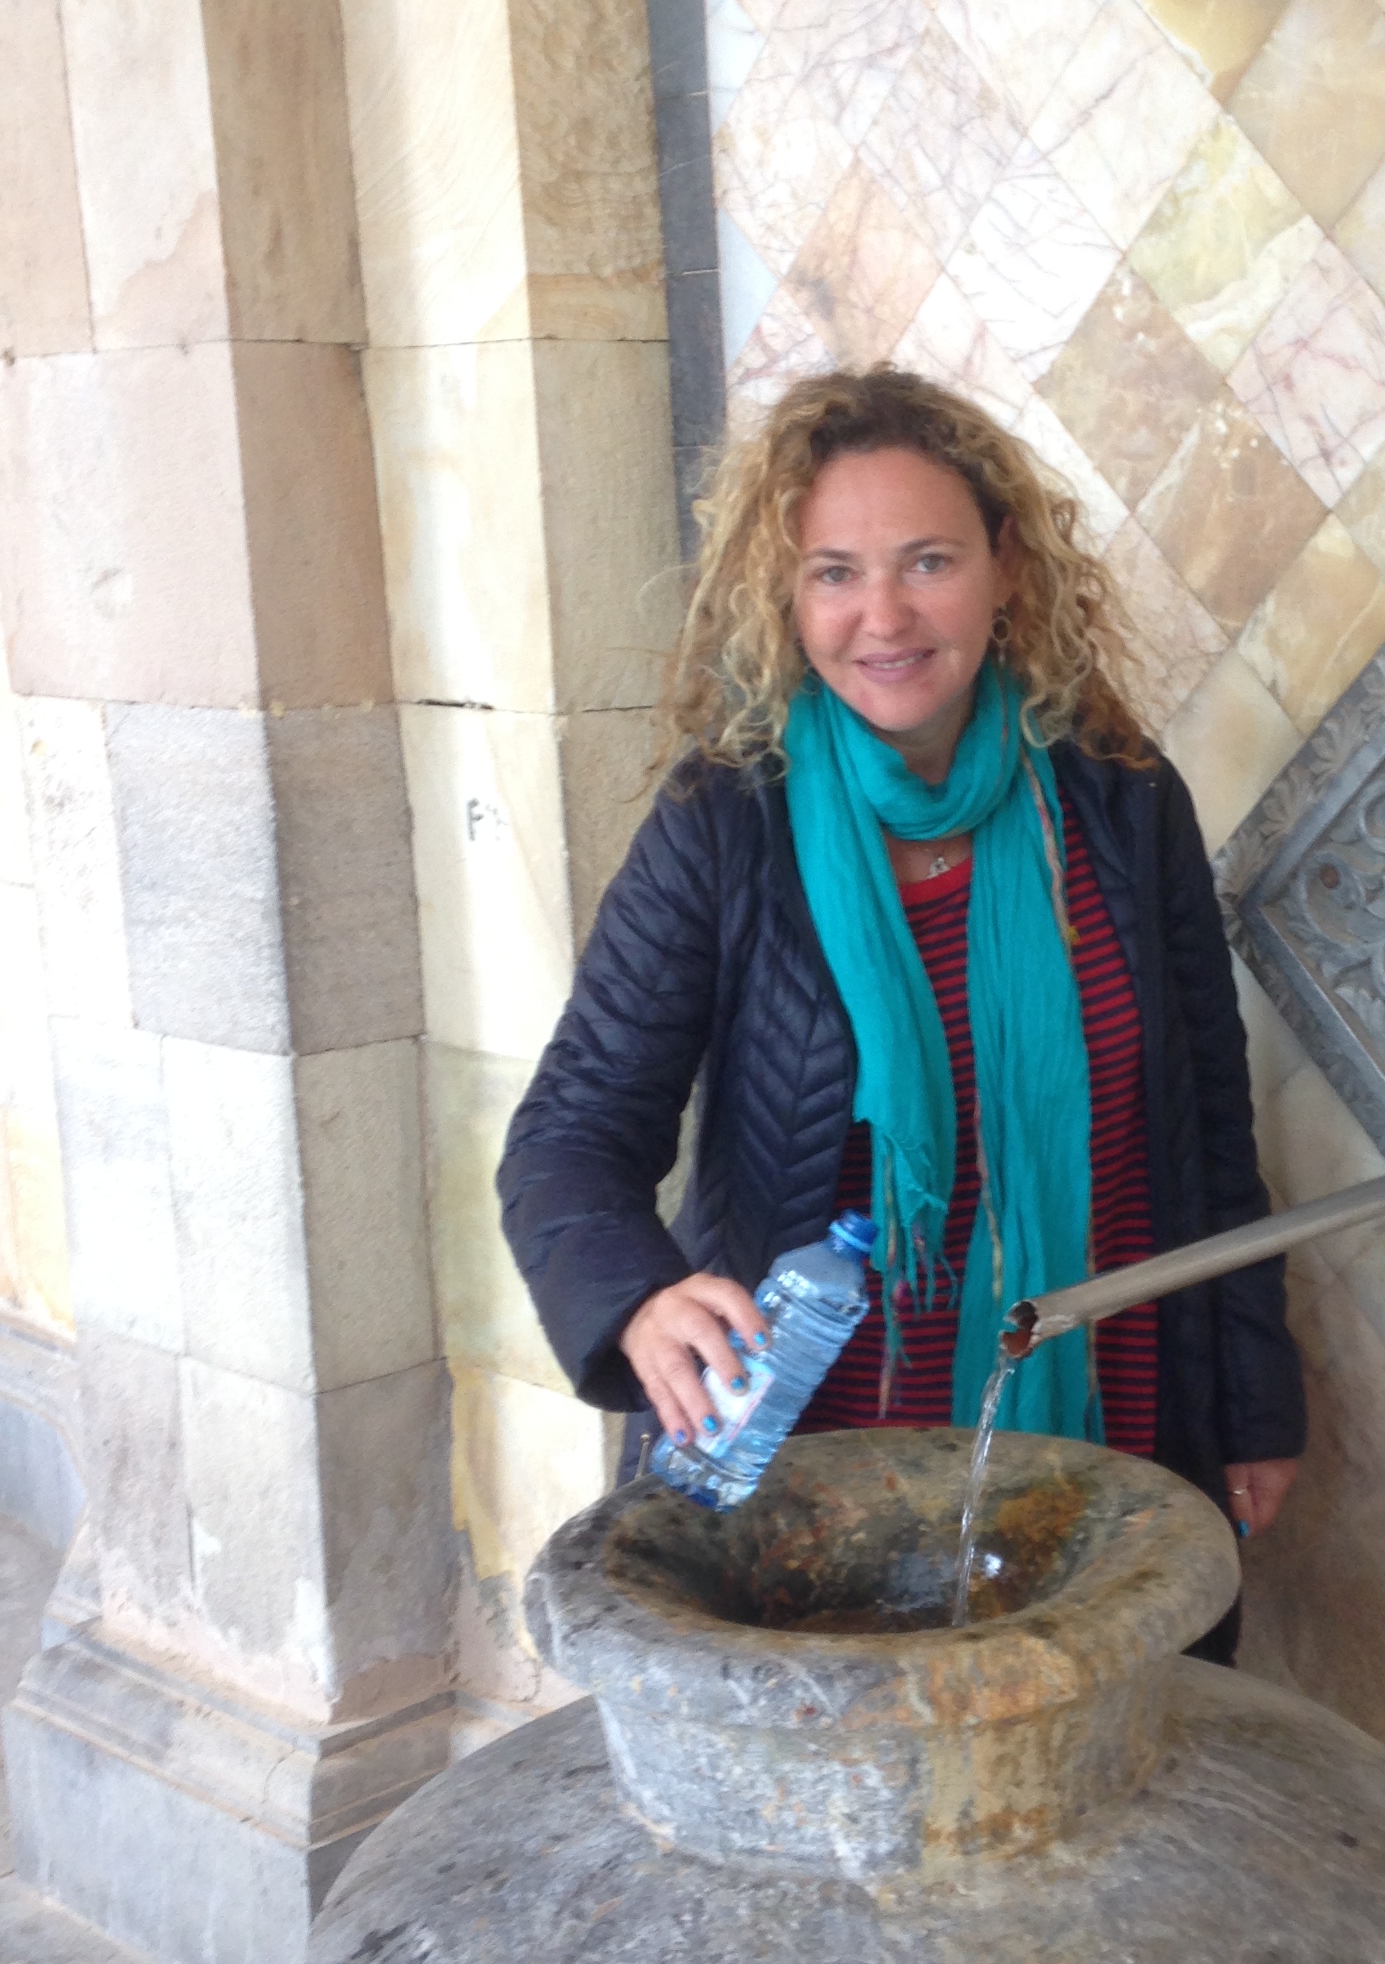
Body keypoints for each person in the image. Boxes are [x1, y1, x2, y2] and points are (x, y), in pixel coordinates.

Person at [496, 366, 1304, 1657]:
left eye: (929, 561)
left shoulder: (1120, 801)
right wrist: (639, 1301)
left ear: (1006, 568)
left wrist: (1254, 1406)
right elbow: (568, 1139)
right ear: (787, 596)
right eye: (835, 573)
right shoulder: (725, 822)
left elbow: (1211, 1134)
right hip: (805, 1506)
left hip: (1107, 1447)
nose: (883, 616)